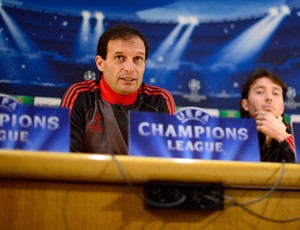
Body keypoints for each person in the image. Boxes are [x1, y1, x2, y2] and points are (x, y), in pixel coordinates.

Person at [60, 25, 176, 154]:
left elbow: (167, 162)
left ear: (144, 64)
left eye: (138, 59)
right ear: (100, 63)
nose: (130, 68)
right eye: (120, 57)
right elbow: (66, 160)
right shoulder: (79, 95)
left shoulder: (161, 100)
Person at [240, 68, 295, 163]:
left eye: (275, 93)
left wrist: (282, 135)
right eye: (260, 92)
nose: (269, 98)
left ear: (282, 107)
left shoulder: (296, 137)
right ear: (246, 104)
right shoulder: (232, 134)